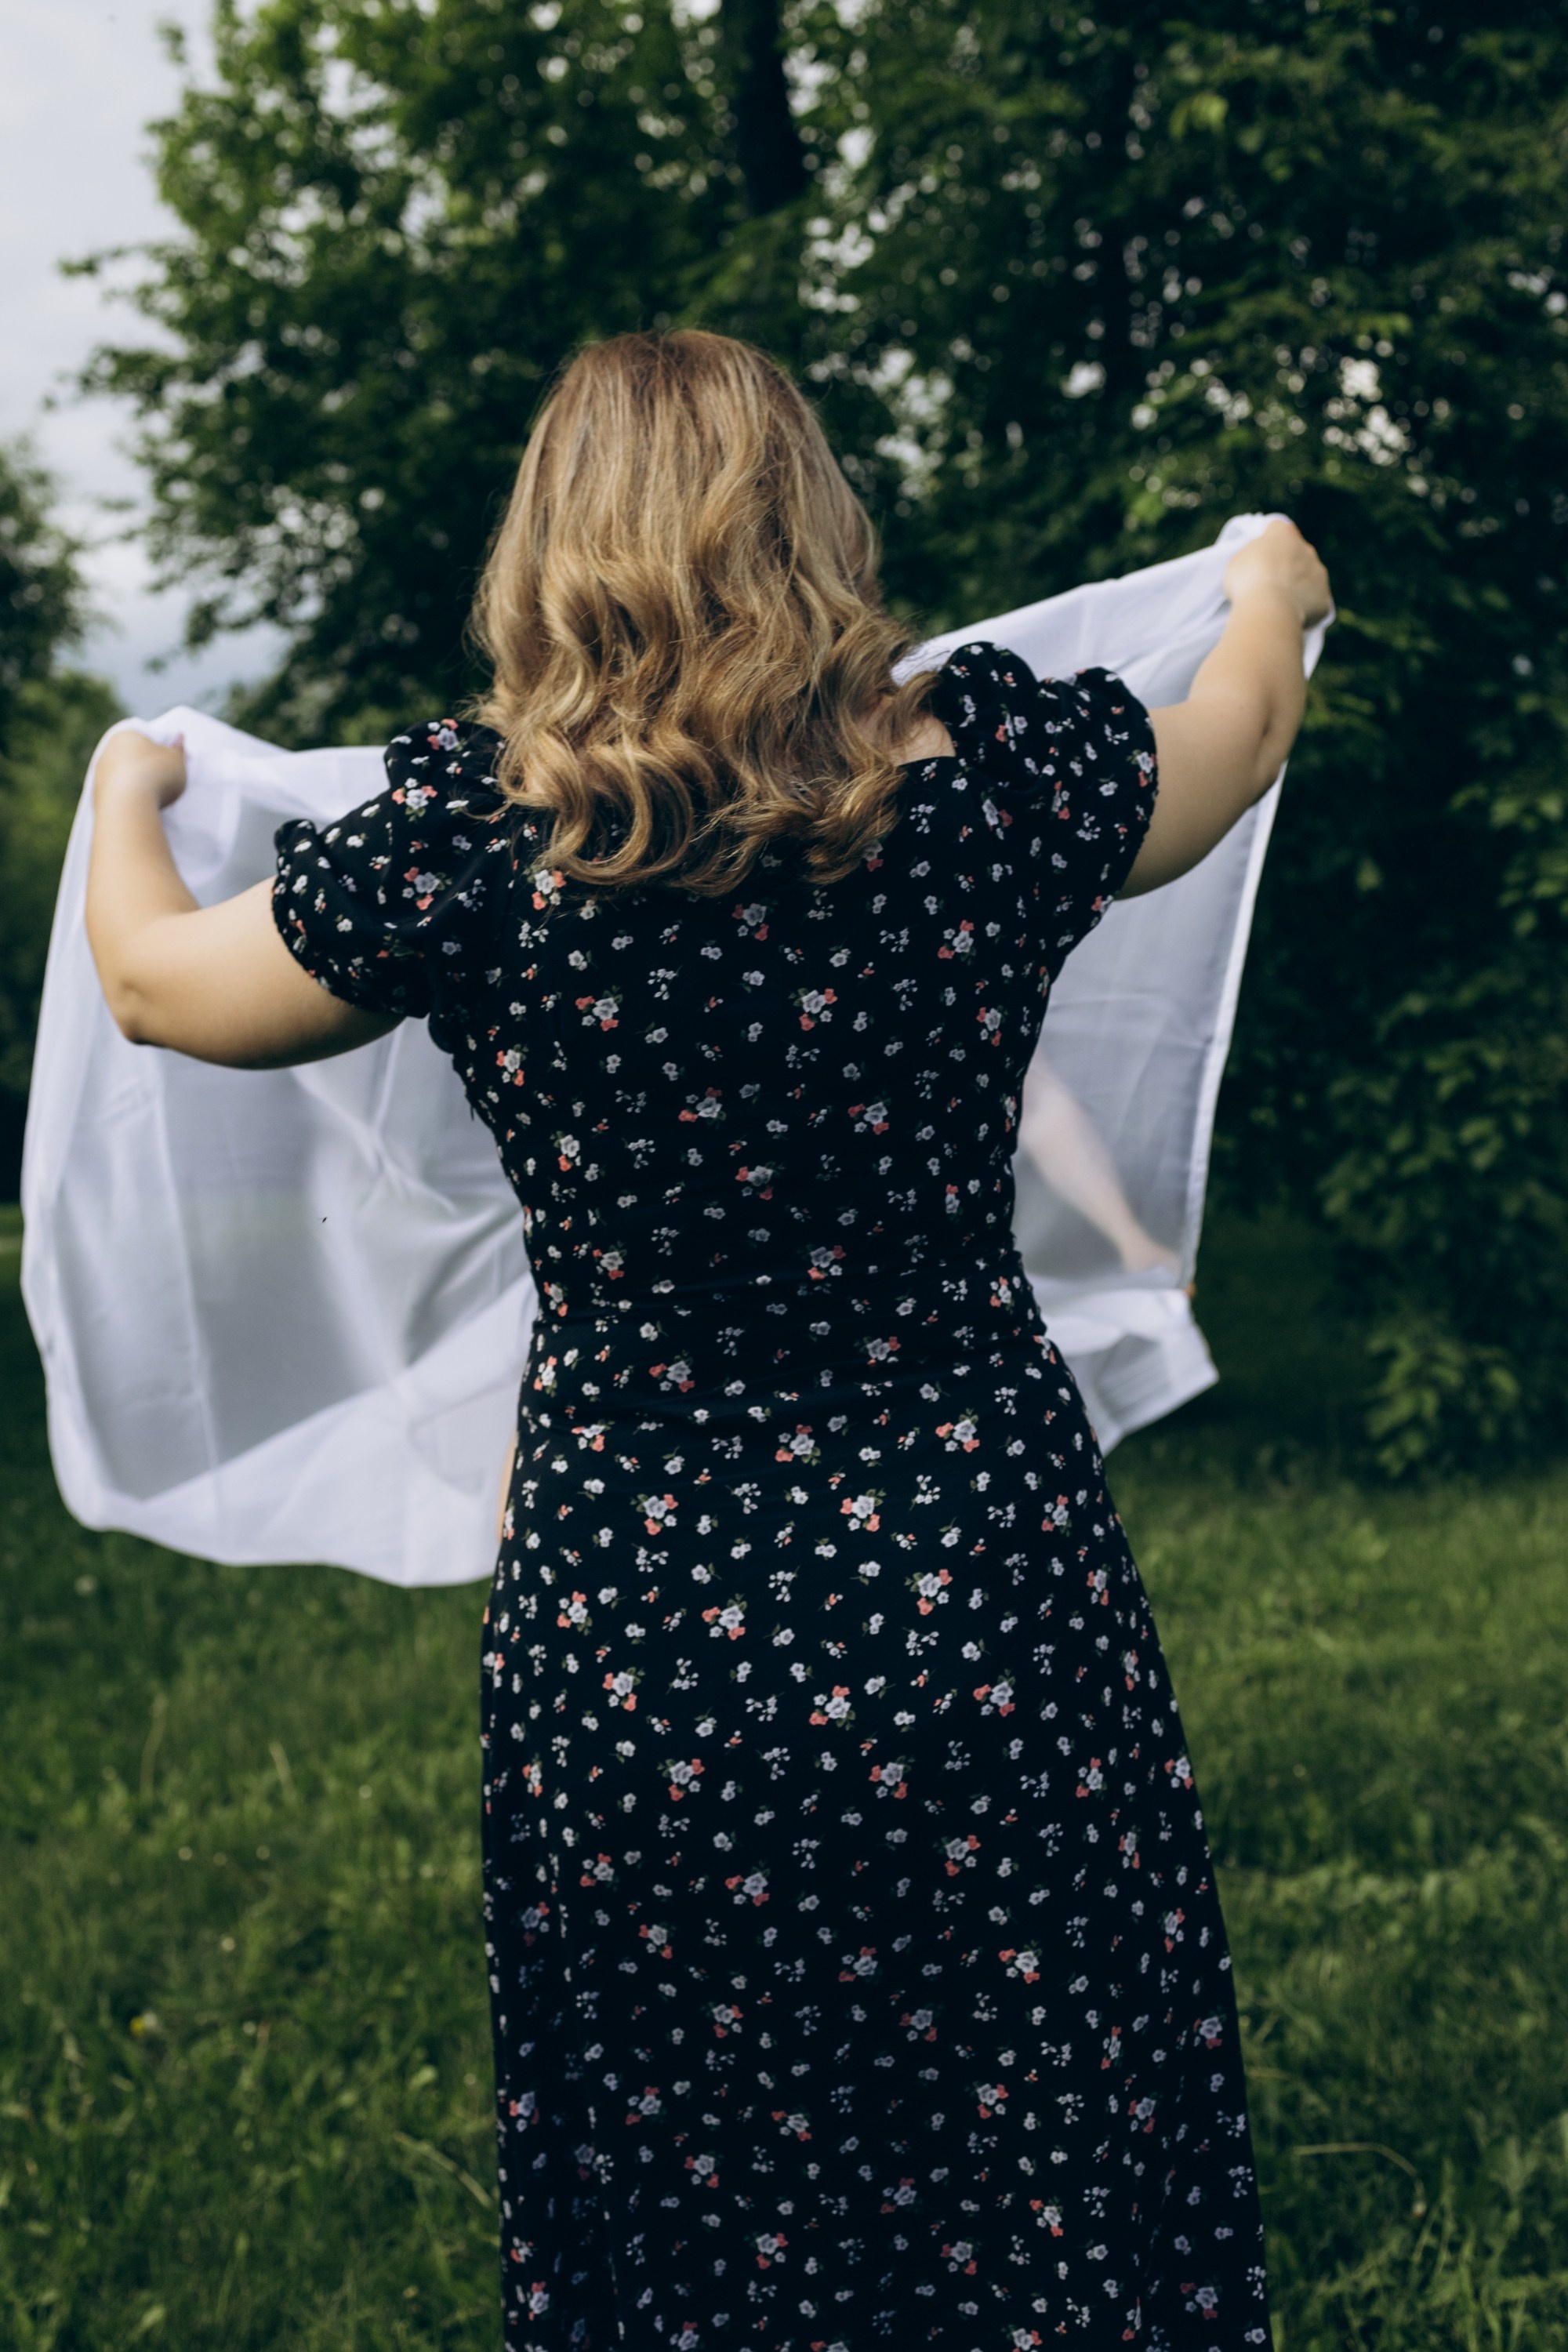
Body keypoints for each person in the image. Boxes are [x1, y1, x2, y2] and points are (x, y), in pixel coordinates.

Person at [86, 329, 1329, 2352]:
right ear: (808, 520)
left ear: (553, 553)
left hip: (640, 1604)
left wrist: (133, 776)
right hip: (978, 1567)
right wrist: (1269, 575)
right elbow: (1239, 734)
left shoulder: (480, 851)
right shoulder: (989, 788)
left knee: (693, 2144)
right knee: (1030, 2114)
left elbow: (153, 984)